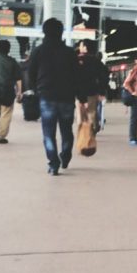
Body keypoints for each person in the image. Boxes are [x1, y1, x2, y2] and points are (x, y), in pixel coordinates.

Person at [28, 18, 78, 175]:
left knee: (48, 133)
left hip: (46, 97)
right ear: (61, 32)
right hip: (67, 97)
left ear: (44, 32)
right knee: (66, 130)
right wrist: (80, 95)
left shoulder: (38, 51)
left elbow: (31, 74)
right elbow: (77, 76)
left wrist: (35, 90)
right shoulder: (70, 53)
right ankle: (66, 155)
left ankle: (53, 163)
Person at [74, 42, 107, 131]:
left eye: (80, 46)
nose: (79, 47)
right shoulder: (96, 61)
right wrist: (101, 92)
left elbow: (73, 77)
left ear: (85, 47)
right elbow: (103, 77)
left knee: (81, 117)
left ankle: (83, 137)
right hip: (92, 92)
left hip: (79, 93)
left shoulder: (76, 60)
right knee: (91, 114)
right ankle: (91, 134)